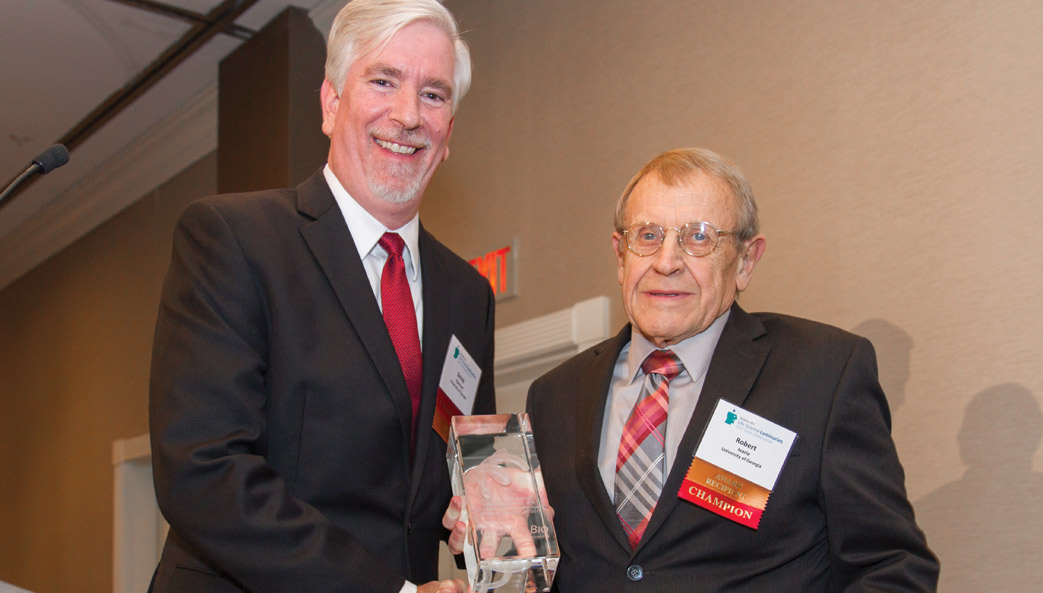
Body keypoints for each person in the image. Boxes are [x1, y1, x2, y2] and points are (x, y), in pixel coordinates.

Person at [147, 1, 494, 592]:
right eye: (384, 81)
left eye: (433, 95)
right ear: (332, 104)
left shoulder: (468, 293)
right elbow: (204, 473)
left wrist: (487, 525)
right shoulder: (234, 238)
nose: (409, 114)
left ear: (449, 131)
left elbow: (453, 479)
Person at [521, 148, 938, 591]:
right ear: (621, 256)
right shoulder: (554, 396)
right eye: (647, 236)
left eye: (699, 238)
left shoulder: (822, 373)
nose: (666, 261)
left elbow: (891, 567)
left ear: (745, 261)